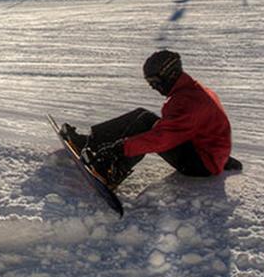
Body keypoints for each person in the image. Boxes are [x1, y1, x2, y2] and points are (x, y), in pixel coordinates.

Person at [62, 49, 241, 189]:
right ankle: (91, 143)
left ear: (169, 75)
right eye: (150, 84)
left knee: (146, 125)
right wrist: (223, 158)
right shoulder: (191, 90)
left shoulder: (187, 101)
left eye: (154, 82)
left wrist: (121, 149)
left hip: (201, 164)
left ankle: (111, 171)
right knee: (144, 115)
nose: (154, 88)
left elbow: (162, 139)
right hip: (207, 153)